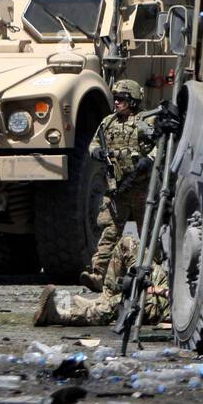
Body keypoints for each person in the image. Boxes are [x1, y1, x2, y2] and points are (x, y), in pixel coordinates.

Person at [33, 79, 170, 327]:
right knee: (109, 232)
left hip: (141, 189)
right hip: (118, 189)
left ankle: (153, 273)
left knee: (148, 233)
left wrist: (148, 161)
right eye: (115, 98)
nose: (117, 102)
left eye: (121, 99)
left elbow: (160, 147)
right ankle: (99, 275)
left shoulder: (146, 122)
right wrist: (96, 152)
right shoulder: (108, 123)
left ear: (133, 100)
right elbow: (95, 143)